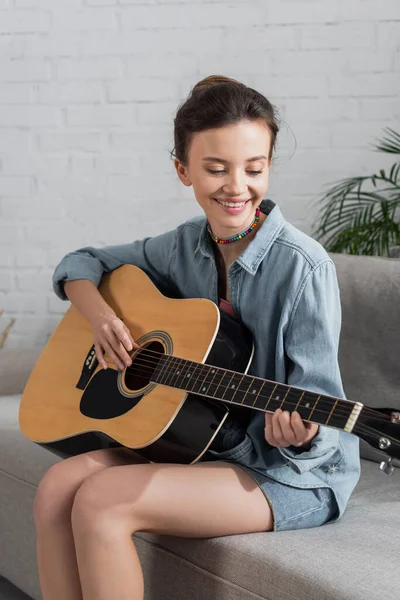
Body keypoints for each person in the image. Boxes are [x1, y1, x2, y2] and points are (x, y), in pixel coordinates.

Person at [34, 74, 360, 600]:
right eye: (216, 168)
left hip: (291, 475)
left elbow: (320, 412)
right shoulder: (181, 246)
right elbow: (82, 263)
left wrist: (300, 432)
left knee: (102, 499)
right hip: (202, 446)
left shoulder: (304, 268)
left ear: (269, 166)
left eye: (254, 169)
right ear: (183, 170)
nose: (237, 186)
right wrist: (100, 319)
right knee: (55, 490)